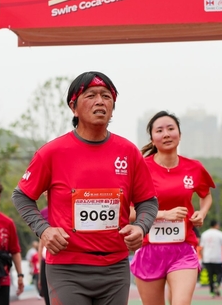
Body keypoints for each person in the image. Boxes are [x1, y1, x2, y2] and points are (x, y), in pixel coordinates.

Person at [11, 71, 159, 305]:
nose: (100, 101)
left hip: (115, 268)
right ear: (73, 107)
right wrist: (44, 229)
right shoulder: (52, 152)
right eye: (91, 95)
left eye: (106, 96)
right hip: (66, 268)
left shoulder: (128, 152)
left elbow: (148, 201)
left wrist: (141, 227)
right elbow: (21, 195)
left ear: (113, 107)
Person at [129, 111, 215, 305]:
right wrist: (163, 214)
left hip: (183, 248)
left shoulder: (194, 167)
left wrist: (202, 213)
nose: (166, 134)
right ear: (152, 139)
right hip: (148, 248)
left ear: (180, 135)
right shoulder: (141, 168)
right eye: (159, 130)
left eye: (170, 129)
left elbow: (206, 195)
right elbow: (129, 212)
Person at [199, 220, 222, 298]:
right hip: (217, 257)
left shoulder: (204, 234)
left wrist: (202, 257)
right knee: (220, 273)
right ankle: (217, 284)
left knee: (210, 275)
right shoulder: (220, 234)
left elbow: (201, 247)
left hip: (207, 258)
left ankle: (212, 291)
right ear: (216, 225)